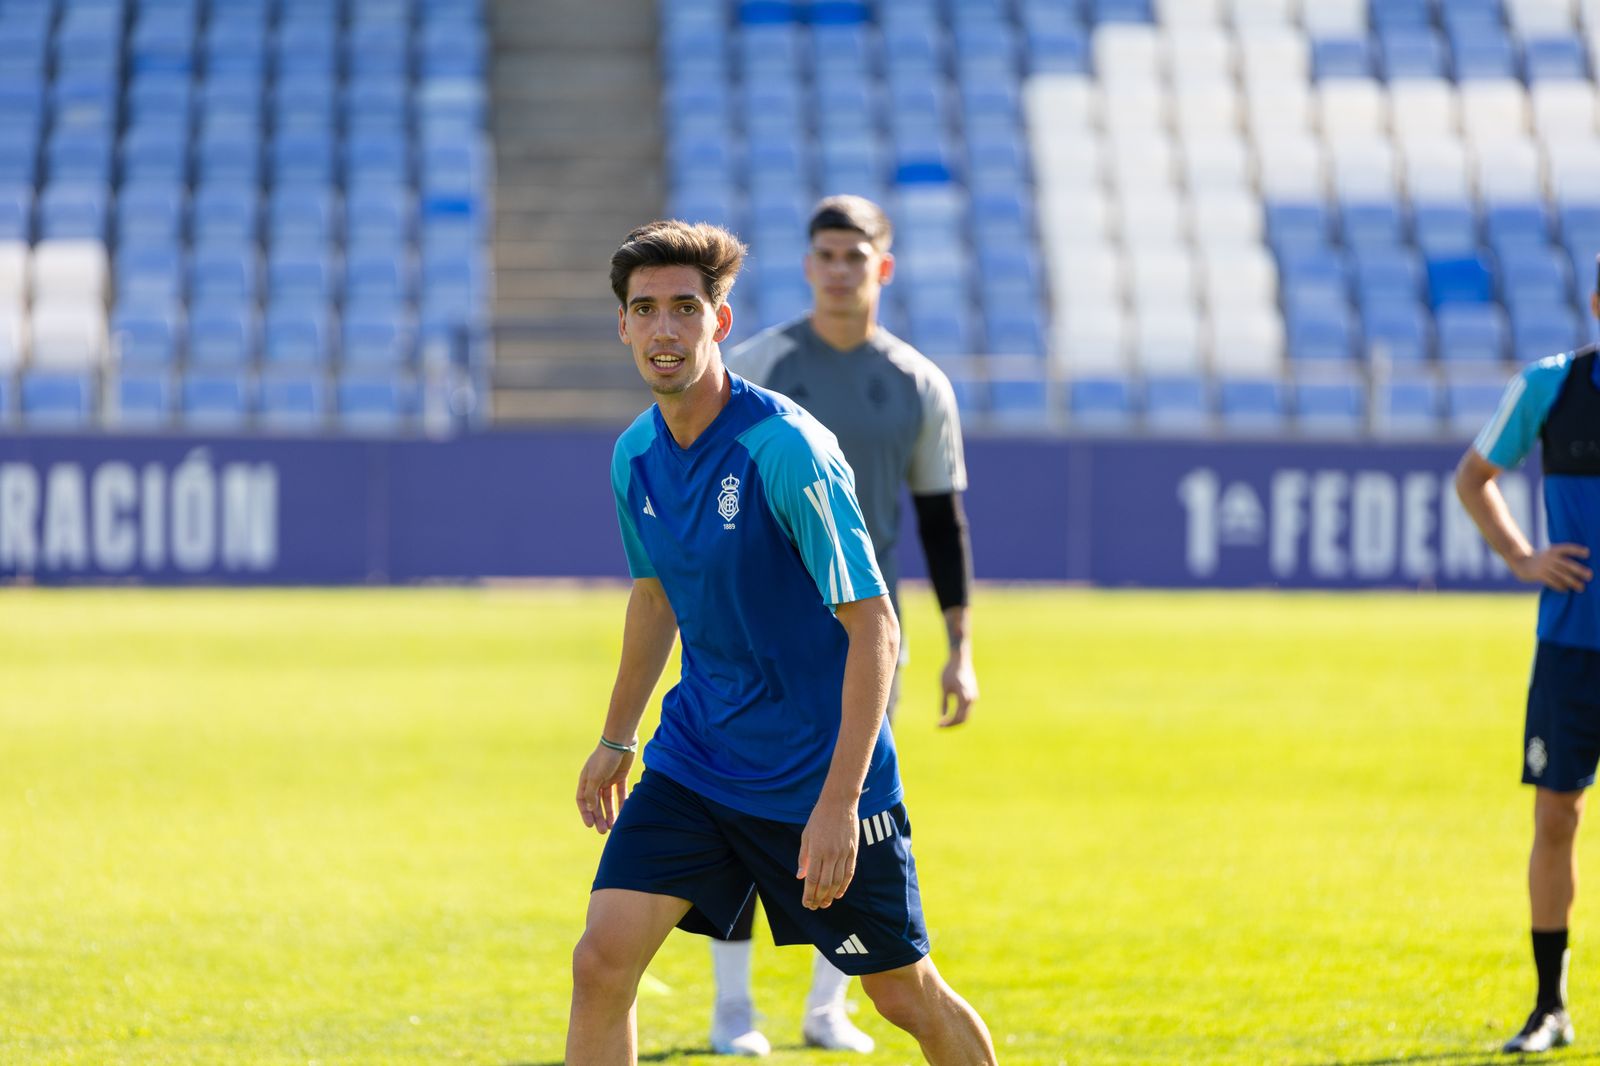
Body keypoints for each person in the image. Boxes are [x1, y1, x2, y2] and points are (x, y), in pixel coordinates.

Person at [565, 219, 996, 1066]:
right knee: (602, 960)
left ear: (719, 323)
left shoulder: (786, 448)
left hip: (815, 771)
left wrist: (837, 805)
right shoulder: (635, 457)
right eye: (644, 310)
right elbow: (656, 598)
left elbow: (873, 622)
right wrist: (618, 739)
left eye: (685, 308)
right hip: (698, 759)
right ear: (622, 325)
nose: (664, 329)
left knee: (902, 993)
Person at [706, 194, 979, 1054]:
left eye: (854, 256)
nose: (838, 269)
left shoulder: (918, 384)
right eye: (824, 254)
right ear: (808, 264)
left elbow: (941, 521)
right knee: (737, 810)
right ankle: (732, 1014)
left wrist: (961, 648)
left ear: (882, 268)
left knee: (850, 816)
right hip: (755, 642)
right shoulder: (753, 362)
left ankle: (829, 1008)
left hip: (863, 643)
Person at [1456, 269, 1600, 1055]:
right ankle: (1551, 1007)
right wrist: (1520, 556)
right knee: (1556, 817)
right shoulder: (1550, 386)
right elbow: (1473, 478)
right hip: (1572, 650)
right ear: (1598, 307)